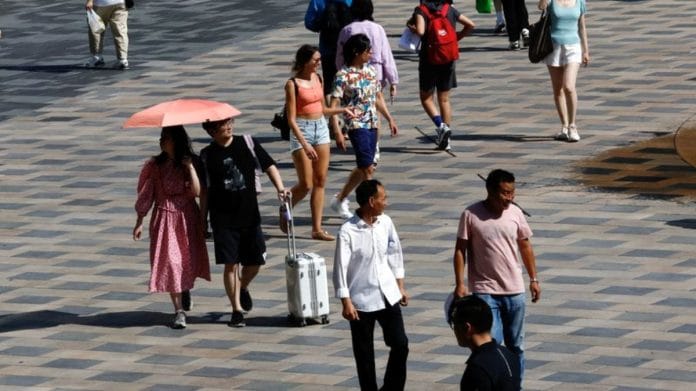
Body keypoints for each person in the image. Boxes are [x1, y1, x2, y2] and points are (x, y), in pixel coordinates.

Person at [199, 117, 290, 327]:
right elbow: (205, 192)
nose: (229, 126)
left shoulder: (247, 142)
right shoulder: (207, 155)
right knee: (230, 265)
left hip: (249, 215)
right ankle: (236, 310)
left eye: (230, 122)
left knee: (256, 261)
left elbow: (269, 166)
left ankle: (243, 287)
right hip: (222, 218)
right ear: (212, 131)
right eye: (223, 125)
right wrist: (202, 221)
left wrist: (280, 188)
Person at [452, 169, 541, 380]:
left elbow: (525, 247)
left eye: (512, 192)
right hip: (485, 290)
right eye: (505, 193)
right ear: (490, 191)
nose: (510, 198)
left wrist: (534, 279)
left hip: (515, 290)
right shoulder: (470, 215)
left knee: (516, 346)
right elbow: (459, 250)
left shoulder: (515, 214)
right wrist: (459, 283)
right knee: (492, 343)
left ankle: (514, 385)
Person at [333, 179, 409, 391]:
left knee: (400, 344)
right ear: (371, 201)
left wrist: (400, 285)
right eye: (383, 198)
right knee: (364, 353)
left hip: (387, 294)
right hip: (360, 300)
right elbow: (340, 267)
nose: (386, 202)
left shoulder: (385, 222)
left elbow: (395, 253)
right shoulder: (348, 231)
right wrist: (345, 301)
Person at [133, 126, 211, 329]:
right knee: (171, 263)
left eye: (166, 138)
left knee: (186, 261)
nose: (162, 141)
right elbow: (146, 193)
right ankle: (179, 310)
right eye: (161, 138)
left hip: (187, 217)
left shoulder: (191, 162)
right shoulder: (154, 165)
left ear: (176, 140)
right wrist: (140, 220)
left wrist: (190, 168)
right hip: (164, 218)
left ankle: (184, 290)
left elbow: (197, 191)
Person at [283, 44, 354, 241]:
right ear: (305, 62)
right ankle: (286, 206)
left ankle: (317, 229)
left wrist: (342, 110)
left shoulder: (318, 78)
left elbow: (322, 109)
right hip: (302, 128)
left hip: (320, 128)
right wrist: (304, 143)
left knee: (320, 180)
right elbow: (291, 119)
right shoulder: (292, 84)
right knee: (305, 184)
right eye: (316, 60)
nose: (319, 63)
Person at [329, 34, 398, 219]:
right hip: (355, 124)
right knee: (367, 167)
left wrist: (389, 118)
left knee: (366, 166)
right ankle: (372, 207)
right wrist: (337, 130)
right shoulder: (342, 76)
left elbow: (377, 97)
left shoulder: (370, 71)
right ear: (357, 53)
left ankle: (340, 199)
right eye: (368, 51)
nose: (371, 53)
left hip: (373, 123)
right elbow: (333, 104)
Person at [335, 0, 399, 162]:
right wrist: (393, 80)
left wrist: (341, 70)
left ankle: (361, 139)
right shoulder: (377, 28)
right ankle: (373, 145)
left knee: (353, 107)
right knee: (374, 109)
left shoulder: (347, 29)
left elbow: (340, 55)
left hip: (352, 74)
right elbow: (387, 55)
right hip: (375, 71)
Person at [409, 0, 475, 151]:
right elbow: (471, 24)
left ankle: (441, 126)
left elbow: (420, 31)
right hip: (448, 58)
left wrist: (412, 29)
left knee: (426, 98)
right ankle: (447, 138)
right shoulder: (449, 9)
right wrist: (455, 38)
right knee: (444, 99)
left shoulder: (421, 10)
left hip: (429, 59)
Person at [538, 0, 590, 142]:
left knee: (569, 86)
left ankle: (573, 126)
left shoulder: (579, 2)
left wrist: (586, 50)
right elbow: (540, 7)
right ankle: (564, 126)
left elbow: (582, 26)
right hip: (553, 48)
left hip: (573, 47)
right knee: (558, 90)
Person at [447, 295, 521, 391]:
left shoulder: (477, 369)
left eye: (454, 325)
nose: (454, 330)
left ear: (467, 327)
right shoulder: (509, 355)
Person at [304, 0, 353, 95]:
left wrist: (322, 25)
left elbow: (309, 23)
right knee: (351, 80)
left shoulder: (317, 2)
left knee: (329, 83)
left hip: (327, 48)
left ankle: (331, 107)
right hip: (349, 49)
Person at [84, 0, 130, 69]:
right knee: (120, 31)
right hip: (120, 3)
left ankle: (96, 58)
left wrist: (90, 1)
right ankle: (123, 59)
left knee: (96, 30)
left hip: (101, 4)